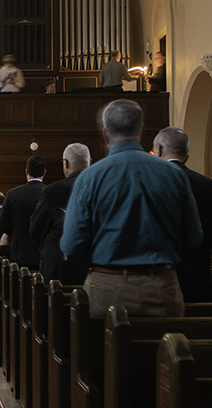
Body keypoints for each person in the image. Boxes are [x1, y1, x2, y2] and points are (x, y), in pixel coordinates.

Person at [60, 99, 203, 318]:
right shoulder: (174, 175)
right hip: (161, 285)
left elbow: (71, 245)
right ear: (143, 131)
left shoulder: (90, 177)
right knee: (168, 350)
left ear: (105, 134)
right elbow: (193, 237)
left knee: (102, 351)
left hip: (107, 287)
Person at [153, 127, 212, 302]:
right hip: (199, 280)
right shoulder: (207, 185)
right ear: (187, 155)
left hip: (159, 279)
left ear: (159, 149)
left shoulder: (152, 184)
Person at [30, 143, 91, 285]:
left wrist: (49, 248)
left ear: (66, 163)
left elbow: (36, 228)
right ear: (90, 163)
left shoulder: (53, 191)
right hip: (93, 266)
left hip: (59, 266)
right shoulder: (103, 190)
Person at [0, 156, 47, 269]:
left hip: (20, 252)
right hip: (43, 253)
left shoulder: (13, 194)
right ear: (44, 172)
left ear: (26, 172)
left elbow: (3, 225)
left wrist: (16, 230)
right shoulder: (50, 193)